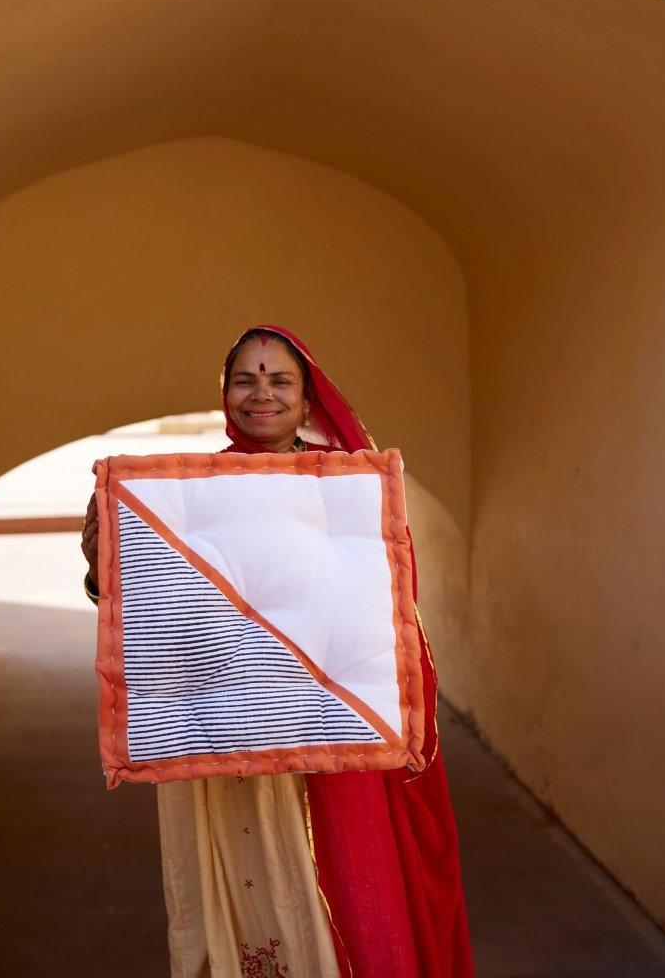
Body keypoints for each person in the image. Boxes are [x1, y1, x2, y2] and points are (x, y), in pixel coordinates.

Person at [82, 324, 474, 978]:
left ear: (306, 395)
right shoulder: (182, 495)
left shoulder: (348, 489)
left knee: (343, 903)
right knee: (250, 911)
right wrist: (108, 569)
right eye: (244, 379)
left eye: (279, 380)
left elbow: (385, 618)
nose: (260, 393)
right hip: (230, 746)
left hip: (330, 748)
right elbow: (164, 624)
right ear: (224, 392)